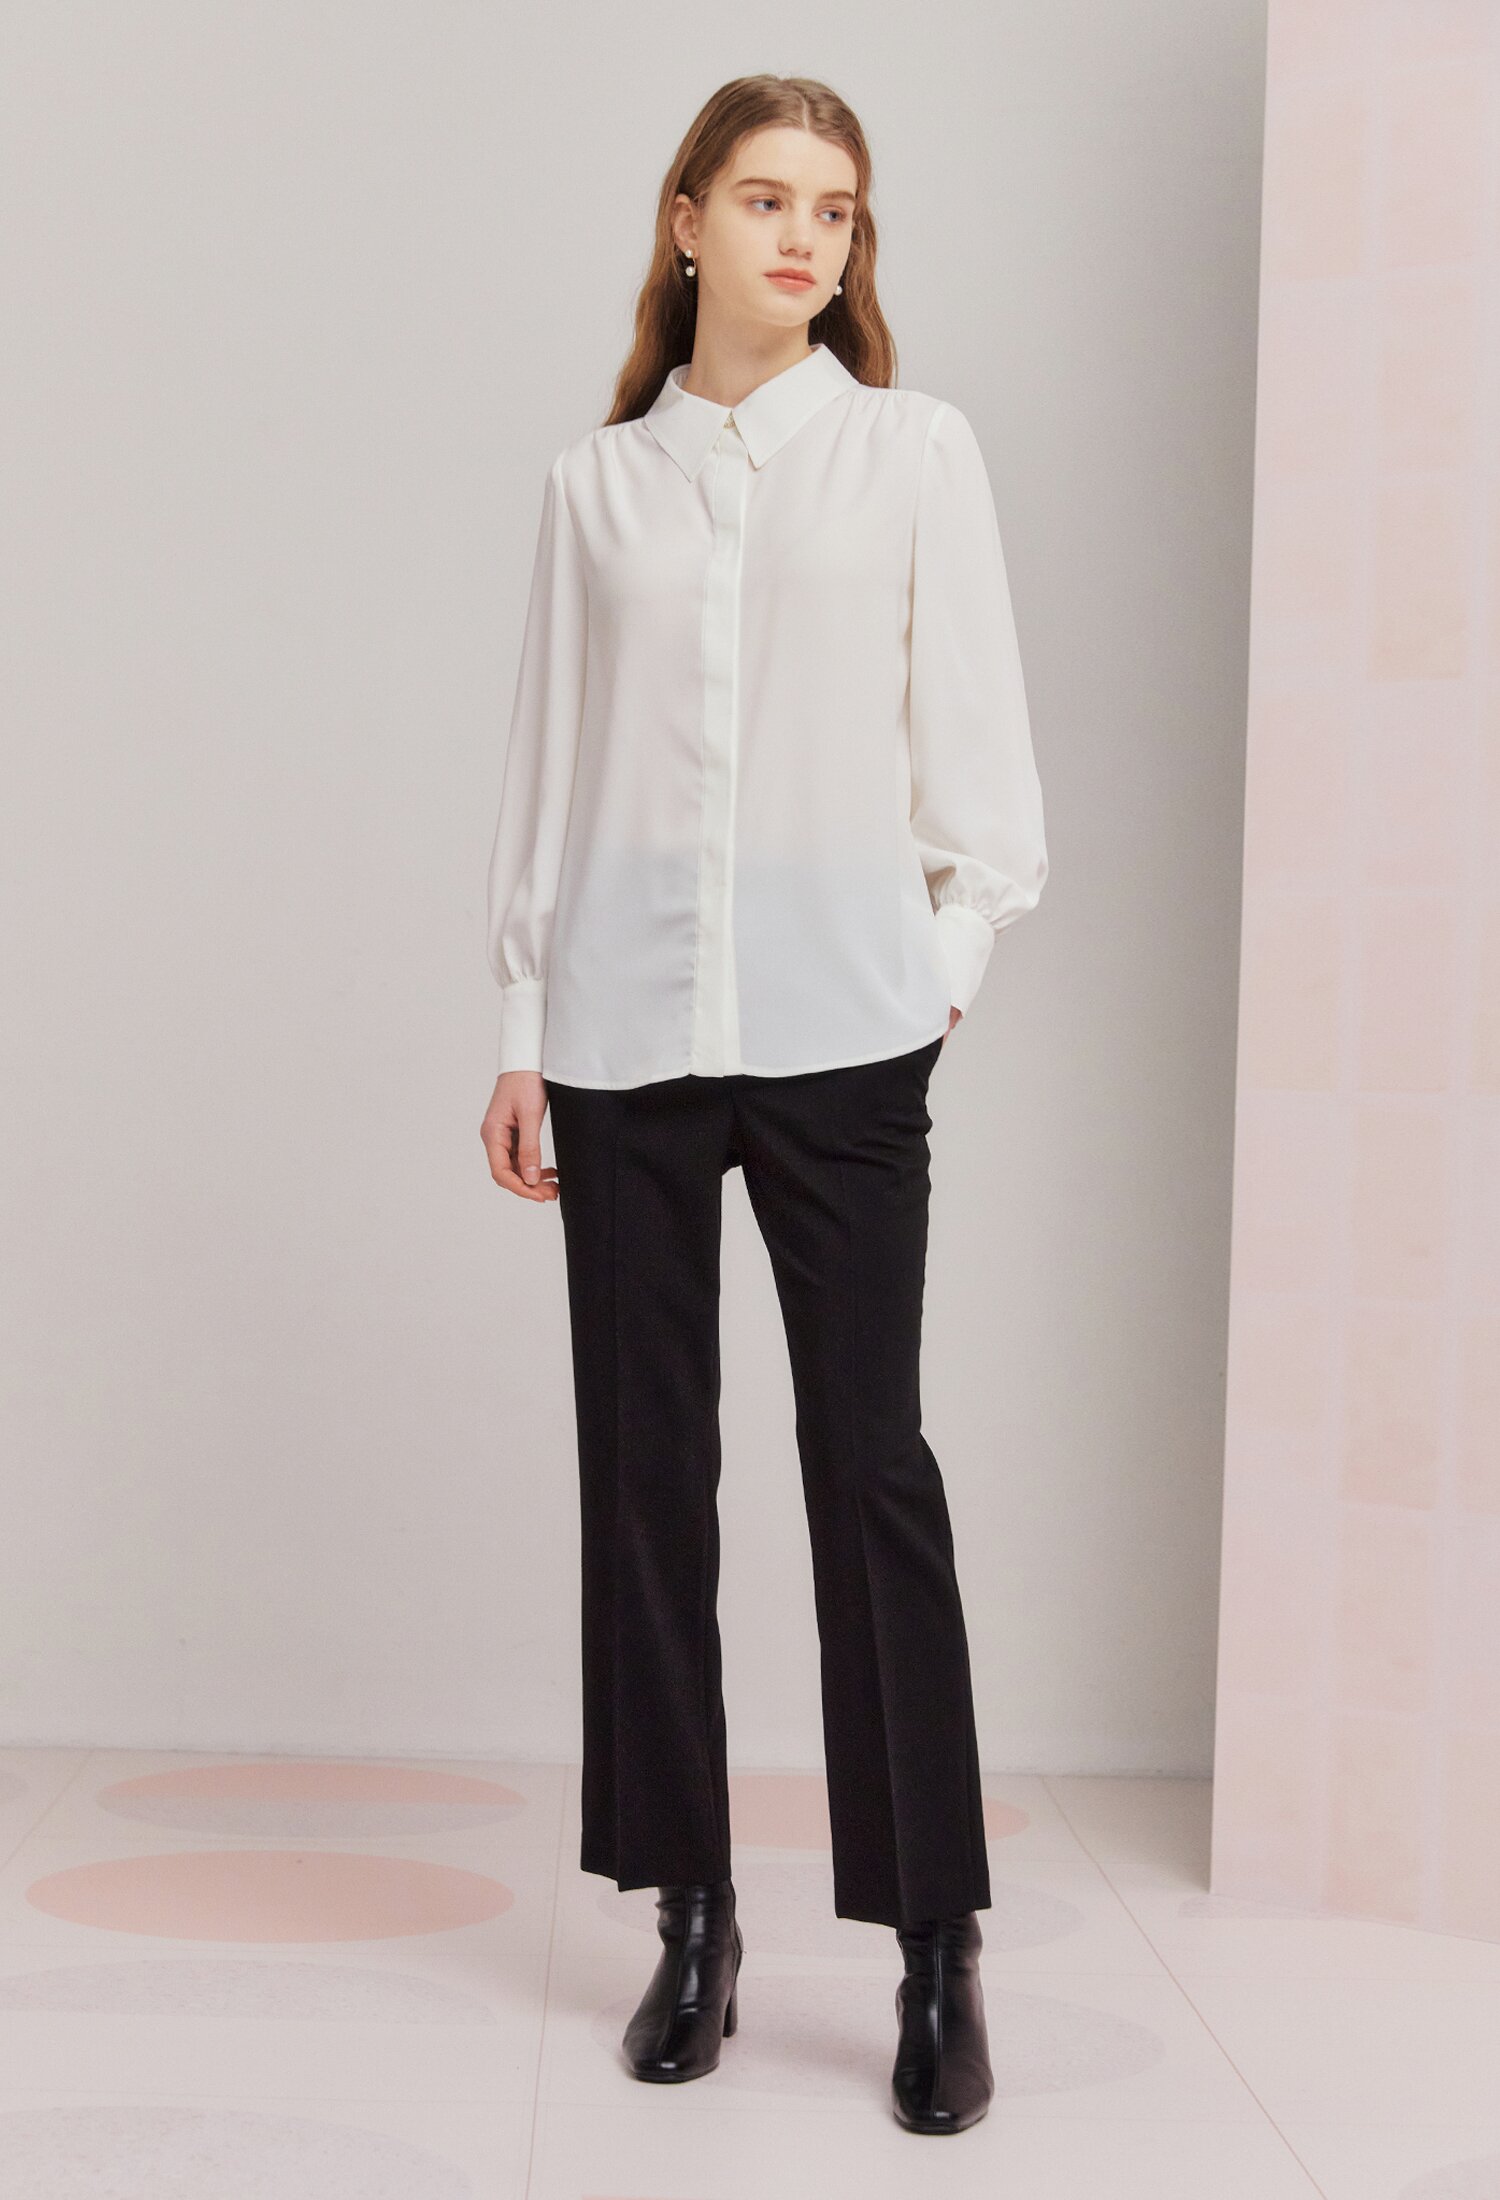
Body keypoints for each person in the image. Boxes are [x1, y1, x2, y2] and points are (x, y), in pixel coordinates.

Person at [480, 73, 1047, 2136]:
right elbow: (549, 767)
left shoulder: (911, 452)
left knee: (868, 1463)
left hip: (843, 1030)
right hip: (624, 1031)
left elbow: (978, 755)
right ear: (688, 219)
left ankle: (932, 1943)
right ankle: (693, 1913)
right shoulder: (595, 486)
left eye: (838, 208)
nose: (807, 237)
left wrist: (942, 961)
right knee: (646, 1474)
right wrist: (521, 1018)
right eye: (769, 198)